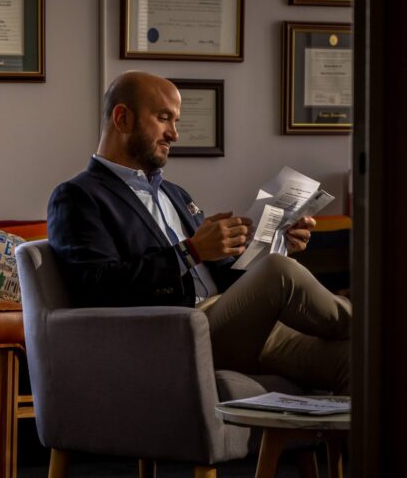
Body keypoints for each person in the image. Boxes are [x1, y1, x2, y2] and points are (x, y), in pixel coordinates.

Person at [47, 71, 350, 394]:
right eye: (164, 118)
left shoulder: (176, 195)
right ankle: (379, 321)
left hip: (231, 323)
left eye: (176, 121)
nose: (174, 134)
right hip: (173, 334)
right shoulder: (78, 197)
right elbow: (97, 287)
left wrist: (279, 243)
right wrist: (190, 252)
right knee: (280, 273)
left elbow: (225, 280)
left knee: (358, 361)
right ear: (122, 118)